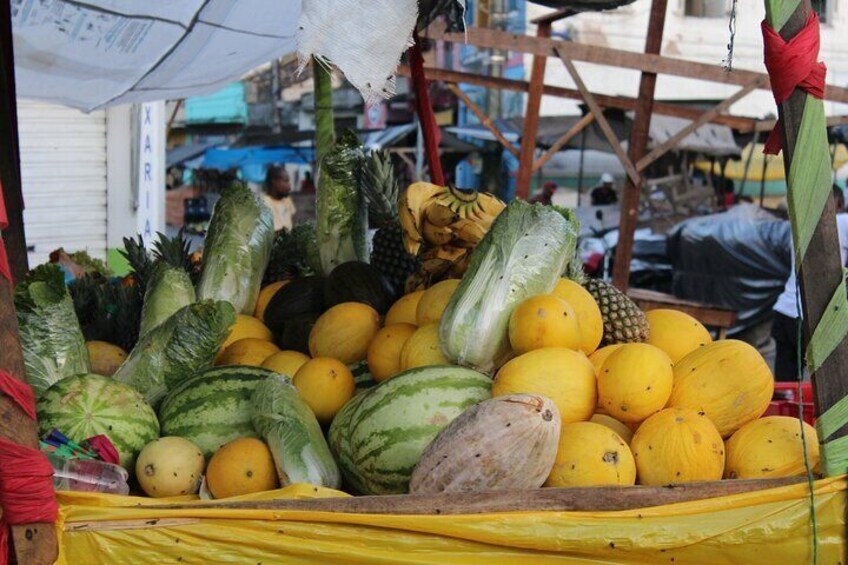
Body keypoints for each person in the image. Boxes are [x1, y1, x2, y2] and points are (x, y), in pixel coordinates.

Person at [771, 184, 848, 381]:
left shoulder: (799, 227)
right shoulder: (840, 221)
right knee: (831, 383)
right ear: (837, 204)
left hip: (784, 311)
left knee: (786, 388)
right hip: (812, 318)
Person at [261, 165, 297, 231]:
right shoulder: (263, 203)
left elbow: (291, 222)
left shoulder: (287, 200)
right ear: (274, 182)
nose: (289, 185)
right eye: (286, 181)